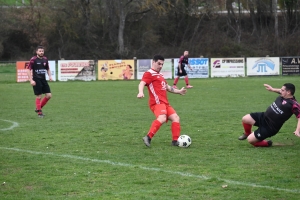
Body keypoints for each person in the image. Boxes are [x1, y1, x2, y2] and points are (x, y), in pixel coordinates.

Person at [137, 54, 187, 147]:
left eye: (162, 64)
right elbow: (142, 83)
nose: (160, 66)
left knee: (176, 118)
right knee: (162, 118)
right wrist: (140, 92)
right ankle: (148, 137)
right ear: (153, 62)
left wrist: (179, 91)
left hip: (165, 103)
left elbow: (168, 87)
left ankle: (175, 141)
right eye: (159, 63)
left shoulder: (160, 75)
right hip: (157, 103)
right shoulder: (149, 73)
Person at [26, 46, 53, 118]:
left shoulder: (45, 59)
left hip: (43, 79)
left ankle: (38, 108)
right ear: (37, 52)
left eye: (42, 51)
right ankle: (39, 113)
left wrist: (50, 76)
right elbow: (28, 70)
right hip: (36, 79)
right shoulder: (33, 59)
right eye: (40, 51)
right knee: (39, 96)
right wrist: (31, 80)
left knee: (49, 95)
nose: (41, 52)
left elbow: (48, 69)